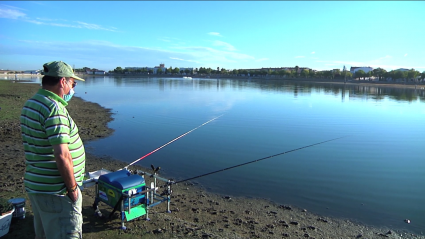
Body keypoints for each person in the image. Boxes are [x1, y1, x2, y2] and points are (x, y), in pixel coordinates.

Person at [20, 61, 86, 239]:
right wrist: (72, 189)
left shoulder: (32, 103)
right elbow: (62, 155)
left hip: (39, 187)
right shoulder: (53, 109)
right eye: (73, 83)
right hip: (57, 192)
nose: (73, 88)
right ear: (62, 81)